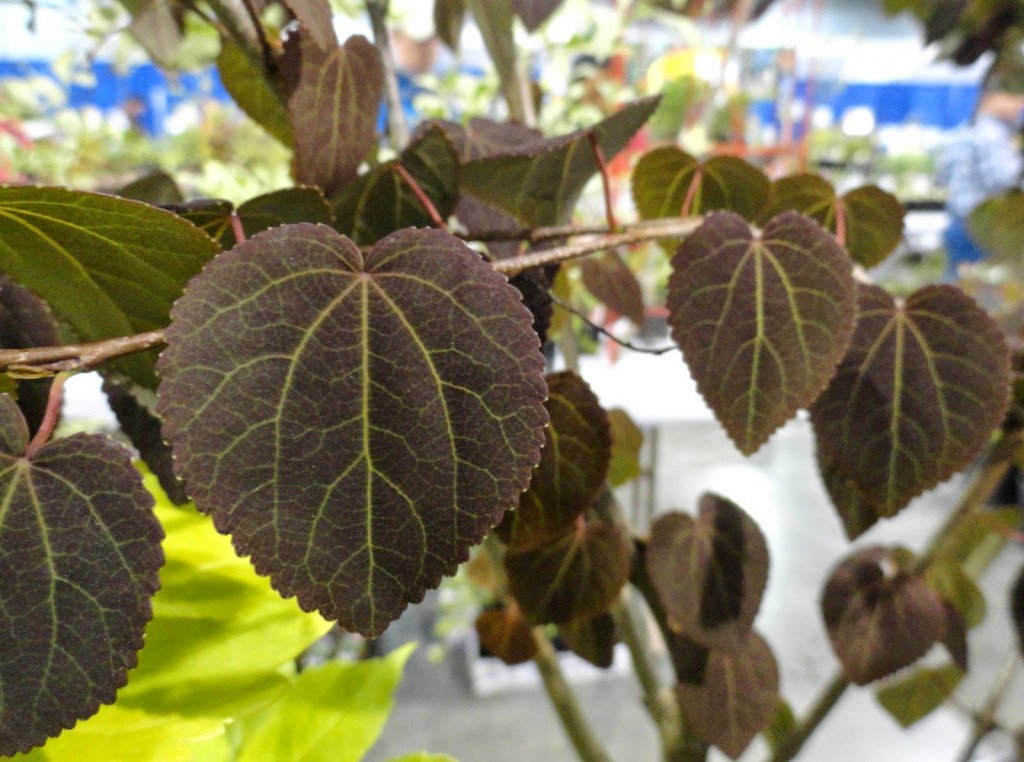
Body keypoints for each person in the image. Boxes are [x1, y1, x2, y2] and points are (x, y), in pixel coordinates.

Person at [937, 86, 1024, 278]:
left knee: (958, 286)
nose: (1020, 104)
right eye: (1015, 96)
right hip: (984, 227)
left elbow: (941, 177)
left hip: (958, 221)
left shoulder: (963, 130)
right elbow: (1004, 181)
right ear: (990, 98)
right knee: (988, 290)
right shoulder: (993, 135)